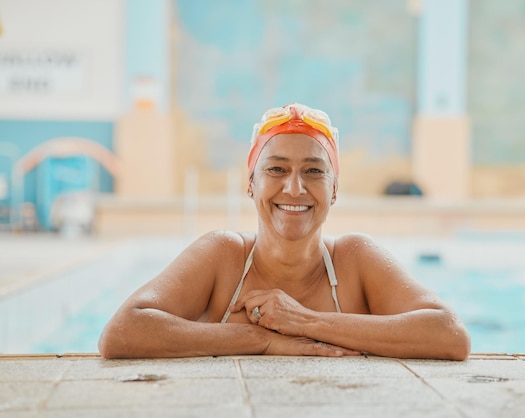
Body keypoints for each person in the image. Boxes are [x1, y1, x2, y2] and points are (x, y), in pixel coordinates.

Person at [98, 103, 471, 360]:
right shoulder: (223, 256)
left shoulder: (354, 260)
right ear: (251, 184)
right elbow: (121, 332)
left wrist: (304, 321)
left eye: (313, 171)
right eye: (276, 170)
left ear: (335, 189)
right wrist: (259, 340)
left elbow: (450, 334)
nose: (294, 188)